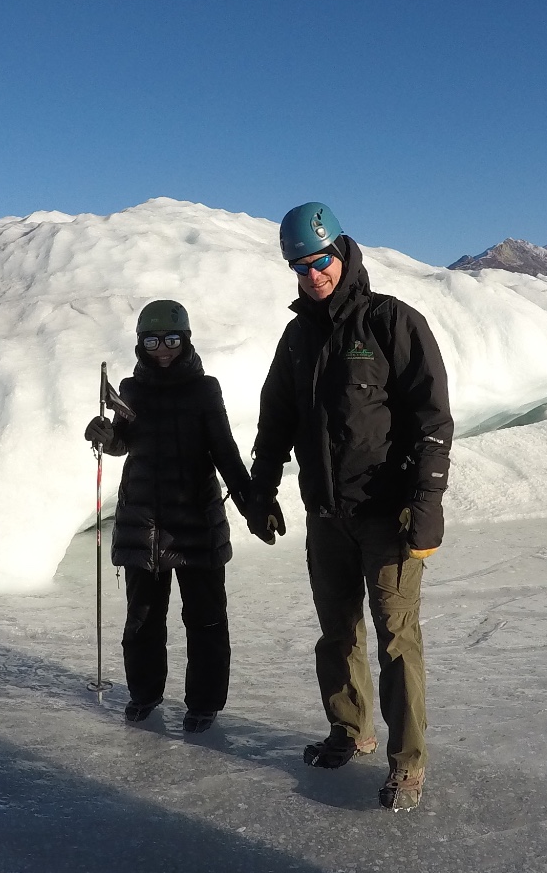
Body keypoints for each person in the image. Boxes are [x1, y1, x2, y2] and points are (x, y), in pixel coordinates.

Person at [246, 203, 453, 813]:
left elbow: (432, 420)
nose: (314, 275)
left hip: (388, 516)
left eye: (321, 260)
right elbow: (276, 419)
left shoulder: (391, 321)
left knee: (395, 642)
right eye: (300, 265)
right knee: (336, 633)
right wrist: (261, 491)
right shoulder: (297, 336)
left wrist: (428, 503)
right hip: (326, 516)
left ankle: (407, 764)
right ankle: (348, 730)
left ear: (342, 250)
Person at [85, 300, 258, 732]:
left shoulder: (205, 389)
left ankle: (204, 702)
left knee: (205, 619)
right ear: (141, 344)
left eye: (172, 340)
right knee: (142, 619)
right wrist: (103, 434)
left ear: (186, 341)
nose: (162, 349)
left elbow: (226, 454)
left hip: (196, 524)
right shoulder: (131, 388)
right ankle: (144, 694)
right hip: (142, 521)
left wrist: (253, 503)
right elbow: (122, 443)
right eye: (153, 340)